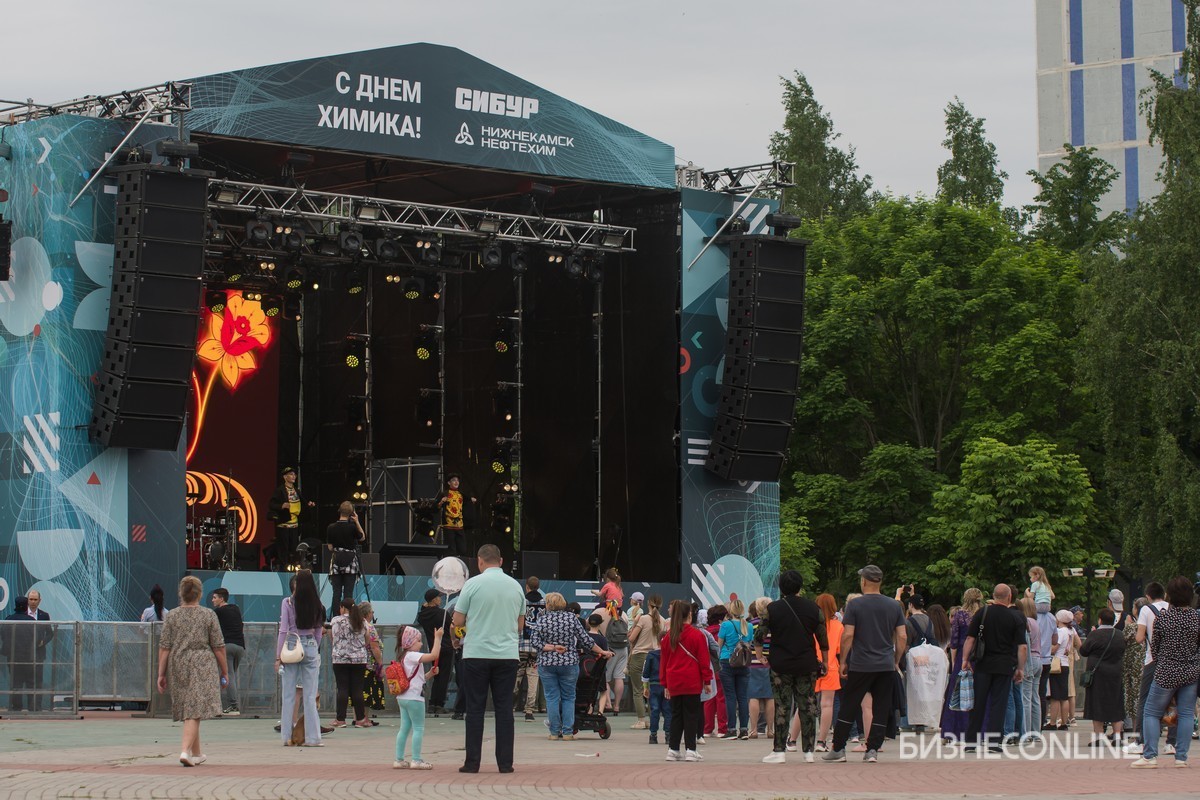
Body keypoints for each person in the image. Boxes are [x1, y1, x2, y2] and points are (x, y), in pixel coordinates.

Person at [451, 543, 526, 774]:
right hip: (507, 656)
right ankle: (505, 764)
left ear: (479, 561)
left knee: (475, 709)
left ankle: (472, 763)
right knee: (504, 709)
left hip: (476, 654)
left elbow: (458, 621)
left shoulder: (472, 584)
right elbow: (520, 626)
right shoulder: (516, 587)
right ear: (501, 561)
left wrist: (457, 635)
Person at [823, 565, 905, 764]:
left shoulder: (856, 605)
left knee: (849, 705)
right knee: (881, 706)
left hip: (861, 664)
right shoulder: (893, 606)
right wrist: (895, 660)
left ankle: (838, 748)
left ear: (865, 581)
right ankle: (872, 750)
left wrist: (843, 660)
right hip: (885, 664)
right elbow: (902, 636)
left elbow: (848, 634)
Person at [156, 576, 228, 767]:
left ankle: (197, 753)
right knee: (194, 709)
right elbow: (218, 646)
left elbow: (164, 647)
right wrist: (225, 671)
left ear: (181, 593)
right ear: (200, 593)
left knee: (191, 706)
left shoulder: (172, 615)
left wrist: (161, 674)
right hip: (202, 663)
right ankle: (185, 751)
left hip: (178, 663)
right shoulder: (208, 615)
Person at [758, 571, 828, 764]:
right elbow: (823, 638)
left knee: (782, 706)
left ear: (781, 587)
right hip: (806, 663)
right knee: (808, 706)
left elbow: (759, 635)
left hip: (781, 665)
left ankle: (779, 751)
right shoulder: (813, 608)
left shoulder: (772, 609)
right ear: (800, 586)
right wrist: (826, 660)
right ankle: (809, 752)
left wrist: (759, 655)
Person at [1131, 575, 1200, 768]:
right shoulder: (1197, 618)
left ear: (1169, 595)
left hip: (1166, 670)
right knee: (1186, 714)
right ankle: (1181, 757)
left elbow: (1155, 646)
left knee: (1151, 712)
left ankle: (1150, 755)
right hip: (1191, 671)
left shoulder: (1164, 618)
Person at [531, 592, 611, 741]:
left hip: (547, 663)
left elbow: (535, 642)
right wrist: (602, 651)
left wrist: (553, 647)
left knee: (552, 698)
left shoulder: (542, 620)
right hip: (569, 662)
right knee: (569, 697)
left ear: (548, 604)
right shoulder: (571, 619)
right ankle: (568, 732)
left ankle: (554, 732)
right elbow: (586, 640)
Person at [961, 585, 1026, 751]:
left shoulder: (982, 613)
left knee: (978, 702)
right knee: (999, 704)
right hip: (1004, 665)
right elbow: (1022, 647)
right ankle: (993, 742)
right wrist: (1020, 668)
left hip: (983, 664)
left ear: (993, 596)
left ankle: (971, 742)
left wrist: (965, 659)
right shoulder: (1015, 617)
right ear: (1010, 596)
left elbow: (970, 638)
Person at [659, 599, 713, 762]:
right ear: (689, 615)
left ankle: (673, 749)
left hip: (674, 680)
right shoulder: (697, 635)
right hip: (692, 680)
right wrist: (707, 680)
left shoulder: (669, 637)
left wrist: (665, 683)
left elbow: (664, 662)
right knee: (691, 715)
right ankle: (691, 749)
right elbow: (704, 660)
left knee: (676, 715)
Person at [276, 568, 325, 747]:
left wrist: (277, 656)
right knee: (310, 696)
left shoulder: (288, 602)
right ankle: (313, 738)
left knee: (288, 694)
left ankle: (287, 737)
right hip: (311, 646)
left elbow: (283, 630)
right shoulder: (318, 604)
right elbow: (319, 631)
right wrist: (314, 647)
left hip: (291, 646)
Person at [1128, 581, 1174, 752]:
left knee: (1145, 700)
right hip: (1171, 661)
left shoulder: (1146, 610)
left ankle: (1140, 739)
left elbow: (1140, 638)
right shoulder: (1171, 607)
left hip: (1152, 661)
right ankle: (1171, 743)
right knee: (1171, 701)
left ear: (1148, 596)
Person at [393, 624, 442, 770]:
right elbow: (434, 655)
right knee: (419, 728)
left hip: (403, 697)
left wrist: (430, 674)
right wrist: (438, 638)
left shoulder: (404, 657)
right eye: (418, 641)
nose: (421, 644)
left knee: (404, 728)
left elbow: (417, 679)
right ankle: (416, 760)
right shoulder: (413, 656)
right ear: (410, 642)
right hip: (415, 698)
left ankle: (399, 759)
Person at [941, 588, 983, 742]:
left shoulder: (960, 615)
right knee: (980, 692)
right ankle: (979, 730)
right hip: (979, 655)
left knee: (957, 692)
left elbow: (954, 640)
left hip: (962, 655)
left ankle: (953, 731)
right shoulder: (983, 613)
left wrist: (953, 662)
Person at [1081, 606, 1126, 745]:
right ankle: (1117, 737)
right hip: (1116, 673)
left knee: (1097, 703)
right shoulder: (1119, 635)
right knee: (1116, 703)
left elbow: (1084, 651)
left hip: (1098, 674)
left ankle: (1099, 737)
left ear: (1100, 620)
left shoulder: (1094, 635)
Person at [331, 598, 377, 727]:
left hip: (340, 659)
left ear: (343, 608)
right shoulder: (362, 621)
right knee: (357, 689)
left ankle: (340, 719)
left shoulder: (336, 620)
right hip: (359, 659)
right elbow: (367, 639)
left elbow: (332, 637)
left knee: (342, 688)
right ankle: (361, 719)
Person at [415, 589, 455, 716]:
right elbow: (452, 626)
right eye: (438, 597)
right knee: (444, 676)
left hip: (434, 648)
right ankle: (439, 704)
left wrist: (424, 606)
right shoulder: (442, 614)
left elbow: (421, 616)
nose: (440, 599)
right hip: (447, 647)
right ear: (433, 599)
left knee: (435, 674)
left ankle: (432, 703)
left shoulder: (423, 615)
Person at [628, 594, 663, 732]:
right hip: (655, 656)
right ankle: (651, 719)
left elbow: (632, 638)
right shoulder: (662, 620)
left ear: (648, 604)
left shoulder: (643, 619)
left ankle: (641, 720)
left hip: (639, 656)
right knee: (651, 689)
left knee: (638, 690)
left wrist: (630, 632)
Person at [267, 467, 313, 570]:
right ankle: (284, 567)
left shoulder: (296, 490)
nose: (294, 477)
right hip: (283, 524)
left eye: (294, 475)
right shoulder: (280, 490)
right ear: (285, 477)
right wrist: (281, 505)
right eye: (291, 474)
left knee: (294, 549)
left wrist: (308, 505)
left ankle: (294, 567)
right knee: (283, 549)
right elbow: (271, 504)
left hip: (295, 524)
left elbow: (302, 502)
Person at [814, 593, 843, 752]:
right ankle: (821, 741)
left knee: (806, 703)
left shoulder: (811, 624)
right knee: (827, 705)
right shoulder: (838, 626)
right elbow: (839, 648)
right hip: (830, 667)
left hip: (812, 666)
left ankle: (791, 740)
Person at [210, 589, 245, 716]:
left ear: (222, 599)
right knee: (232, 675)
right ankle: (233, 704)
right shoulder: (235, 608)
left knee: (227, 675)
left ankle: (233, 705)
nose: (212, 600)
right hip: (240, 647)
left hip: (227, 646)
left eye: (214, 597)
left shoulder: (218, 612)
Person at [326, 501, 366, 609]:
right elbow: (362, 537)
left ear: (339, 511)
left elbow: (330, 547)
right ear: (351, 513)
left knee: (336, 593)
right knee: (348, 593)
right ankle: (348, 617)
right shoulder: (352, 527)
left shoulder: (331, 527)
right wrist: (357, 521)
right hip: (350, 560)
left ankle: (335, 618)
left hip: (336, 560)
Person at [746, 598, 775, 741]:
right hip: (771, 662)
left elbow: (747, 642)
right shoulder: (775, 624)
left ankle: (754, 729)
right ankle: (770, 729)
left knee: (754, 696)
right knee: (770, 696)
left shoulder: (751, 624)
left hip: (754, 662)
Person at [515, 577, 544, 721]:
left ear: (527, 587)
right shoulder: (545, 603)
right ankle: (529, 710)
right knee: (533, 677)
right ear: (538, 587)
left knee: (517, 674)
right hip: (537, 646)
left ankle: (509, 704)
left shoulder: (521, 601)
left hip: (521, 644)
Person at [1121, 597, 1147, 750]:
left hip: (1132, 667)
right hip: (1147, 665)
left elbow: (1122, 640)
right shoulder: (1151, 624)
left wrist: (1126, 625)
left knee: (1133, 699)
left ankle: (1136, 732)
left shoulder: (1131, 627)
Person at [1047, 609, 1081, 729]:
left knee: (1055, 696)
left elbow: (1054, 649)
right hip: (1066, 663)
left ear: (1060, 619)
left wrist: (1047, 649)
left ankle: (1052, 723)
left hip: (1057, 664)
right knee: (1064, 696)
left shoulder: (1060, 631)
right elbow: (1080, 644)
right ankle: (1064, 722)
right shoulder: (1071, 631)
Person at [1017, 597, 1043, 740]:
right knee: (1035, 697)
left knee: (1025, 697)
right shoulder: (1036, 623)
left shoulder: (1025, 622)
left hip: (1029, 659)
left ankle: (1026, 732)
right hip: (1039, 659)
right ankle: (1036, 732)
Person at [3, 597, 35, 712]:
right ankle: (32, 708)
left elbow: (4, 637)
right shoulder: (32, 621)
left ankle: (16, 708)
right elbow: (37, 638)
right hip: (29, 657)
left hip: (13, 657)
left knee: (16, 683)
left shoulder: (8, 620)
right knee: (30, 683)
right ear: (26, 605)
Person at [702, 605, 729, 739]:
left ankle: (707, 728)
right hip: (721, 666)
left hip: (708, 667)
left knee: (708, 698)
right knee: (721, 698)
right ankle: (722, 728)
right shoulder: (724, 630)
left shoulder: (705, 632)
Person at [437, 474, 476, 560]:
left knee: (462, 549)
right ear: (448, 482)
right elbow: (436, 507)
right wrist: (441, 502)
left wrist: (471, 500)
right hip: (449, 525)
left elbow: (468, 501)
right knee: (452, 549)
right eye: (454, 480)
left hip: (459, 525)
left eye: (457, 480)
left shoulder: (461, 494)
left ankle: (460, 562)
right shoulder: (445, 493)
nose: (456, 482)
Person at [24, 589, 51, 711]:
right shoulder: (22, 615)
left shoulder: (44, 615)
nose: (33, 602)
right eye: (31, 599)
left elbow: (50, 633)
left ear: (39, 601)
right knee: (26, 681)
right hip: (23, 654)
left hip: (39, 654)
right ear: (27, 600)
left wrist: (43, 642)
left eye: (35, 600)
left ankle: (37, 706)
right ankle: (23, 706)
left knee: (38, 681)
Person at [359, 602, 386, 719]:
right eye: (372, 612)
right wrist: (380, 664)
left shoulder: (355, 625)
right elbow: (374, 647)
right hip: (369, 664)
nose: (373, 614)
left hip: (357, 662)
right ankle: (365, 718)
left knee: (358, 691)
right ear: (367, 613)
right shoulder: (369, 627)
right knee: (367, 691)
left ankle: (358, 717)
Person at [642, 639, 672, 744]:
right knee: (668, 711)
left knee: (655, 710)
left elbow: (645, 672)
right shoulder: (671, 654)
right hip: (667, 686)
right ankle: (668, 735)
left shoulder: (651, 654)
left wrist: (645, 687)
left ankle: (653, 735)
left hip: (654, 685)